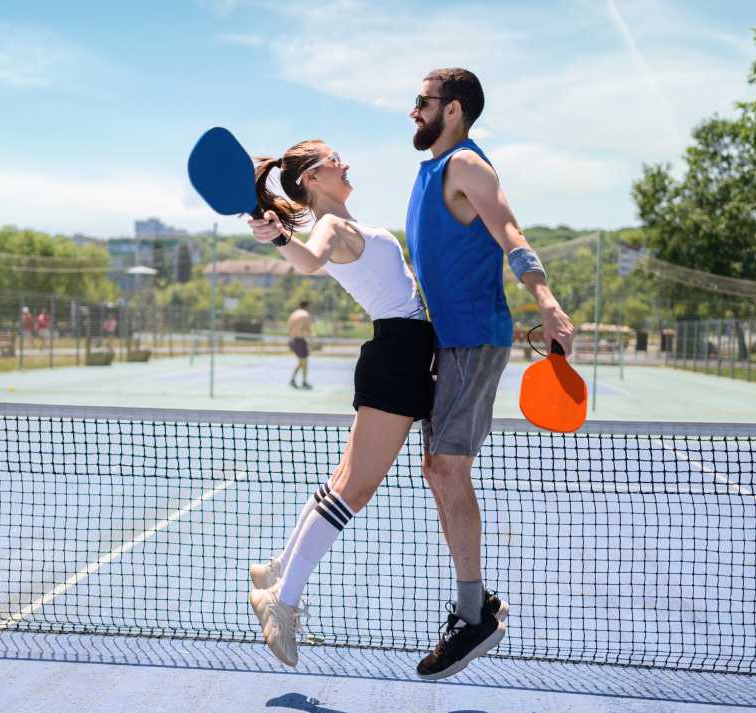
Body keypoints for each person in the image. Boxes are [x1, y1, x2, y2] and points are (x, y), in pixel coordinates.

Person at [406, 68, 575, 680]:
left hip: (474, 339)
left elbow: (510, 231)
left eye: (421, 102)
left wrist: (546, 301)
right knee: (436, 470)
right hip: (446, 341)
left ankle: (472, 613)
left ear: (451, 110)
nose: (412, 112)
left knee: (447, 467)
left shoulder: (470, 168)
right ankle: (477, 603)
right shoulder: (431, 170)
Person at [245, 140, 435, 668]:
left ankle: (277, 570)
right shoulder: (332, 228)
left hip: (401, 353)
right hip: (398, 355)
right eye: (333, 160)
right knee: (355, 489)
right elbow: (307, 261)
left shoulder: (351, 225)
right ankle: (282, 603)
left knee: (343, 482)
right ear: (310, 178)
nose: (345, 163)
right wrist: (280, 236)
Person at [286, 301, 313, 389]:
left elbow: (289, 328)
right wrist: (311, 342)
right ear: (307, 307)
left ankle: (293, 380)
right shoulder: (306, 315)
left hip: (292, 340)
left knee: (302, 362)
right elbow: (308, 330)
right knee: (304, 362)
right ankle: (303, 382)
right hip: (300, 340)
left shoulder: (293, 314)